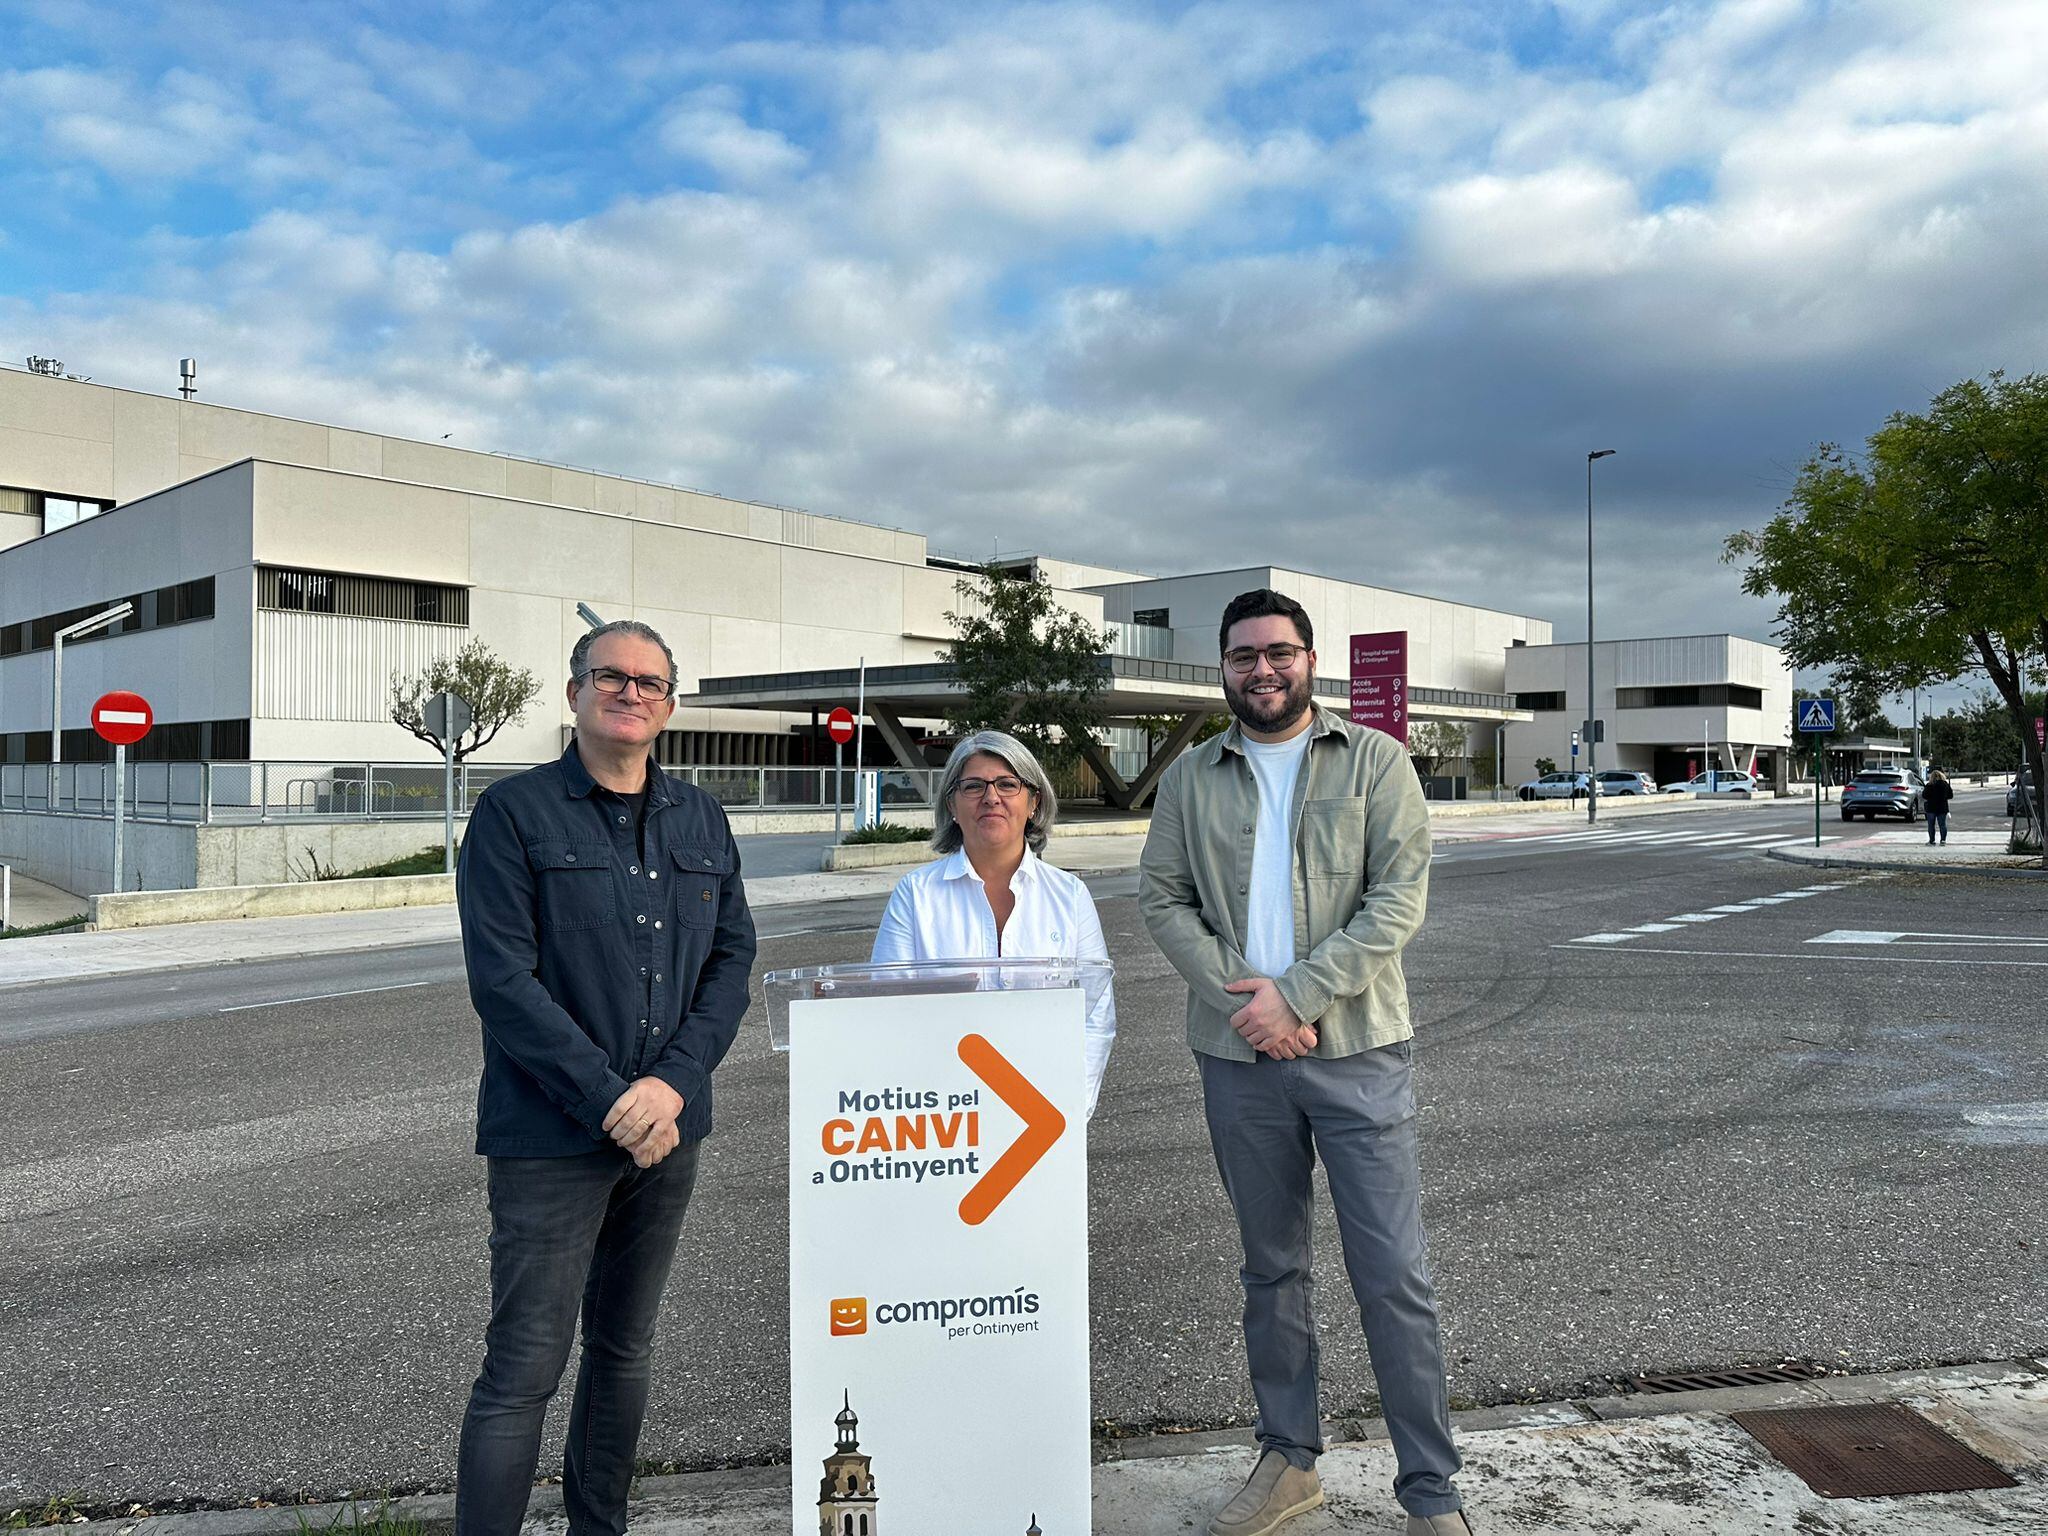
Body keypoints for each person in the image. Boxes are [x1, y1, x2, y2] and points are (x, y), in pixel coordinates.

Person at [1140, 589, 1470, 1536]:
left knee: (1392, 1274)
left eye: (1279, 652)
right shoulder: (1193, 776)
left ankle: (1431, 1496)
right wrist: (1251, 1000)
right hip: (1239, 1056)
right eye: (1244, 656)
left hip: (1359, 1050)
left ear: (1309, 661)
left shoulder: (1377, 763)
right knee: (1270, 1269)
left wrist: (1302, 994)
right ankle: (1290, 1461)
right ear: (1224, 670)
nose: (1263, 670)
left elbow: (1397, 901)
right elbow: (1163, 901)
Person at [453, 619, 757, 1536]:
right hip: (552, 1138)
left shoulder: (700, 817)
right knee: (525, 1366)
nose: (630, 693)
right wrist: (612, 1101)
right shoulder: (513, 815)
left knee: (623, 1350)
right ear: (576, 691)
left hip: (671, 1131)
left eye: (650, 682)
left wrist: (667, 1089)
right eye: (611, 677)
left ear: (670, 703)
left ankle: (601, 1526)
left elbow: (732, 962)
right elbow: (503, 983)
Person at [871, 729, 1116, 1118]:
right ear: (951, 803)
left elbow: (1095, 1017)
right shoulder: (915, 896)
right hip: (940, 1115)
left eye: (1007, 784)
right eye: (973, 786)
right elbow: (886, 1015)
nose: (991, 797)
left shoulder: (1070, 896)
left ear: (1033, 802)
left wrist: (1070, 1113)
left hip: (1044, 1113)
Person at [1924, 767, 1952, 845]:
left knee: (1931, 825)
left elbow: (1924, 795)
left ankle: (1932, 840)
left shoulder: (1929, 785)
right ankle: (1943, 840)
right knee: (1942, 824)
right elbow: (1951, 795)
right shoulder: (1945, 785)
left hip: (1931, 807)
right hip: (1942, 807)